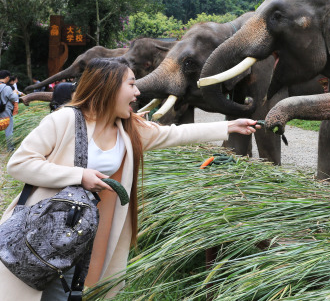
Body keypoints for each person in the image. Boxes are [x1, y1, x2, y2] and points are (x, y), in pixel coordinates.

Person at [0, 59, 260, 300]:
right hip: (39, 229)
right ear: (108, 87)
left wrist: (228, 126)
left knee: (62, 294)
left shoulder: (128, 130)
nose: (137, 93)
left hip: (76, 236)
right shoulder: (64, 119)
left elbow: (174, 134)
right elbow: (19, 164)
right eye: (132, 84)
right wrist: (79, 176)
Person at [0, 70, 20, 151]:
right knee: (8, 129)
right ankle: (10, 148)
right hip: (5, 110)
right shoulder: (7, 87)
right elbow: (14, 98)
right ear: (7, 77)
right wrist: (15, 92)